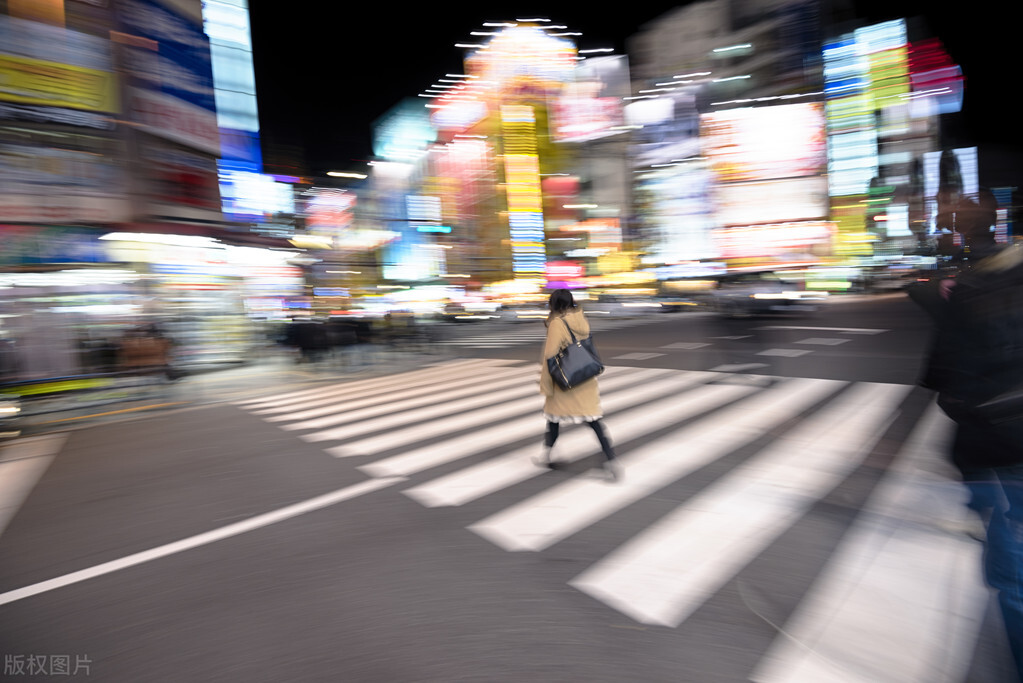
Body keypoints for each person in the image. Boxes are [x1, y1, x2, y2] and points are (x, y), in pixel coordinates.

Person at [913, 198, 1023, 678]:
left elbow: (939, 375)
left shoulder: (964, 288)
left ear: (956, 235)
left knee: (1011, 571)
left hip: (995, 440)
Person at [537, 289, 619, 481]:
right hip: (585, 378)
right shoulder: (580, 319)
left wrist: (546, 384)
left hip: (566, 381)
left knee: (554, 420)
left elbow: (550, 356)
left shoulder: (557, 323)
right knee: (594, 422)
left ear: (554, 303)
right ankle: (612, 460)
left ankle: (547, 456)